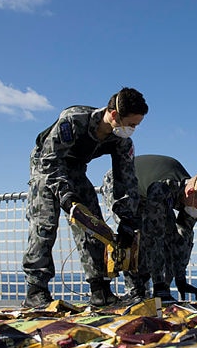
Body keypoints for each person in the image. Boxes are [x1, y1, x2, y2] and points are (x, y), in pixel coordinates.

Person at [23, 87, 149, 307]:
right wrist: (65, 195)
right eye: (131, 124)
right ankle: (36, 289)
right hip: (45, 166)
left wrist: (127, 220)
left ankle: (99, 289)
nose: (133, 129)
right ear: (114, 115)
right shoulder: (73, 120)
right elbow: (49, 160)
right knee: (44, 225)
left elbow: (126, 180)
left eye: (136, 125)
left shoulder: (122, 141)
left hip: (76, 169)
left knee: (92, 224)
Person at [102, 154, 197, 304]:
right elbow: (154, 236)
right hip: (120, 183)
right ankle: (134, 291)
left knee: (169, 234)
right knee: (134, 234)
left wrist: (180, 278)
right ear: (190, 193)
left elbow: (183, 236)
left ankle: (158, 290)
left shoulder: (193, 194)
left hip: (147, 193)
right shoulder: (163, 188)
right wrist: (159, 286)